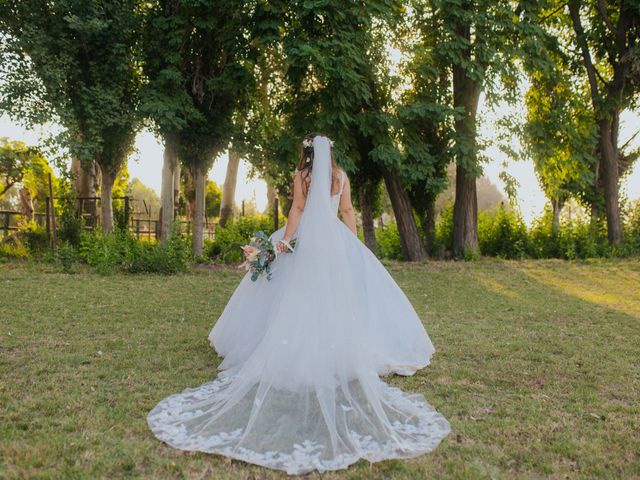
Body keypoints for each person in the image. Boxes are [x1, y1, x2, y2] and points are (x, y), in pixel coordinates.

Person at [147, 133, 450, 475]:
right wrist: (350, 249)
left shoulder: (302, 177)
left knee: (291, 296)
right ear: (329, 155)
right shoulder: (342, 177)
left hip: (307, 239)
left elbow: (298, 210)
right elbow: (348, 211)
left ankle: (288, 348)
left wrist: (285, 243)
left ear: (306, 155)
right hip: (334, 240)